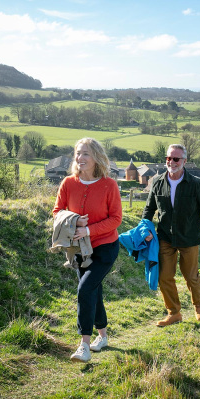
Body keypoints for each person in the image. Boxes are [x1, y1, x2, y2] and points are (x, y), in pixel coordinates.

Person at [52, 138, 123, 362]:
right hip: (79, 250)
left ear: (97, 159)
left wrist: (88, 230)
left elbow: (116, 219)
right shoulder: (68, 183)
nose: (80, 158)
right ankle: (102, 336)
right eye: (78, 153)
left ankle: (83, 344)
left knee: (84, 289)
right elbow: (57, 211)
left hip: (105, 248)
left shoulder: (109, 185)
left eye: (85, 154)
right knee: (93, 290)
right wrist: (72, 223)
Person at [143, 144, 200, 327]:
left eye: (176, 159)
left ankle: (198, 305)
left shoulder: (196, 185)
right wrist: (144, 230)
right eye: (169, 158)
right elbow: (149, 209)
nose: (171, 162)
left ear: (184, 161)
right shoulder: (158, 182)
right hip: (165, 238)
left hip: (189, 238)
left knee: (190, 276)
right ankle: (174, 313)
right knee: (164, 276)